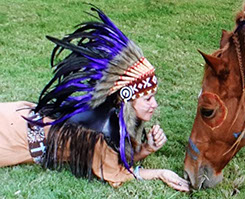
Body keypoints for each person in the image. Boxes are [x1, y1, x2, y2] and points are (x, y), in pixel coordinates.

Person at [0, 6, 189, 192]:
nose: (154, 104)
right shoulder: (103, 129)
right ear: (126, 99)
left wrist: (146, 148)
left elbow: (117, 158)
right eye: (147, 99)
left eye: (153, 97)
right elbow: (117, 173)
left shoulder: (113, 114)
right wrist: (161, 172)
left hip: (20, 120)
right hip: (13, 137)